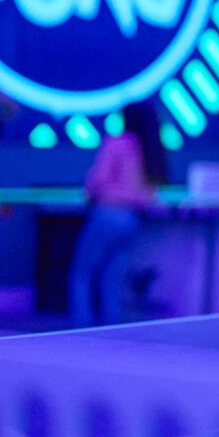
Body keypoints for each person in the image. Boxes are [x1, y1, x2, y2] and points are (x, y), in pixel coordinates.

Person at [69, 102, 167, 327]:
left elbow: (98, 181)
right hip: (133, 219)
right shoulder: (151, 148)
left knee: (81, 274)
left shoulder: (117, 143)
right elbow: (151, 192)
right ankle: (112, 331)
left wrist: (90, 193)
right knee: (112, 280)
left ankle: (79, 330)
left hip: (108, 214)